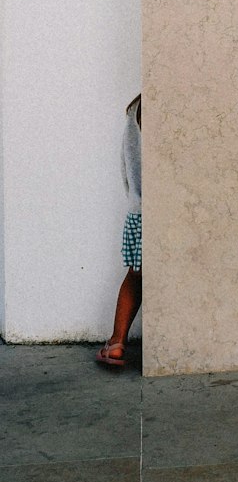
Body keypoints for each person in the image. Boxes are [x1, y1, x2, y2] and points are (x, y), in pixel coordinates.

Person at [96, 93, 142, 367]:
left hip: (138, 211)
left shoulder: (134, 109)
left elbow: (124, 165)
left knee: (135, 277)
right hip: (159, 212)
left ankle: (116, 342)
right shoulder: (168, 106)